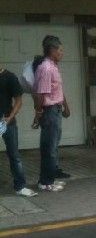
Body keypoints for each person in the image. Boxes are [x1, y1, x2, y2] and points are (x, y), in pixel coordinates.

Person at [33, 35, 70, 191]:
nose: (62, 53)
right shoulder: (46, 68)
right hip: (49, 112)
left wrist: (66, 106)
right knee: (49, 147)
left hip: (56, 110)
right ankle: (46, 182)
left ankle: (48, 179)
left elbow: (57, 90)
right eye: (60, 50)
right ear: (52, 50)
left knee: (52, 146)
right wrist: (39, 113)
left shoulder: (54, 66)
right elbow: (41, 94)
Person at [0, 66, 37, 197]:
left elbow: (18, 100)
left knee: (14, 155)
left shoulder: (9, 77)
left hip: (6, 121)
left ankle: (20, 186)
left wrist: (10, 117)